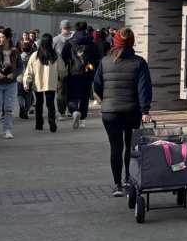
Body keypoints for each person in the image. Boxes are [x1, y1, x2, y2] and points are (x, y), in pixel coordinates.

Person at [93, 27, 153, 196]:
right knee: (131, 146)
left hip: (110, 112)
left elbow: (97, 84)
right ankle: (128, 179)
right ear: (132, 42)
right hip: (131, 110)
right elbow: (144, 89)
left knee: (115, 147)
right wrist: (145, 110)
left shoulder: (104, 62)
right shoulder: (139, 62)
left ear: (115, 42)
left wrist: (107, 99)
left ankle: (117, 185)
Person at [61, 21, 102, 130]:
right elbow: (97, 58)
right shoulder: (91, 42)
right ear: (85, 29)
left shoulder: (69, 43)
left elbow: (63, 58)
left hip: (73, 73)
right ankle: (83, 120)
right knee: (84, 97)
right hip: (88, 73)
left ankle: (74, 112)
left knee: (72, 97)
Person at [0, 28, 22, 139]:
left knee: (9, 108)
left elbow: (20, 67)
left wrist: (14, 74)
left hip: (11, 84)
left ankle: (7, 130)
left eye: (2, 38)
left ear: (8, 39)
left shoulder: (15, 52)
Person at [24, 33, 62, 132]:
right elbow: (62, 69)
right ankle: (51, 120)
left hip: (38, 83)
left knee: (39, 103)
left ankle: (39, 123)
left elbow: (29, 70)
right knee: (50, 103)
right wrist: (60, 77)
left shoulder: (35, 55)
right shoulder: (55, 55)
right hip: (51, 83)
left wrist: (26, 82)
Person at [53, 20, 73, 119]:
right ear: (70, 28)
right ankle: (70, 109)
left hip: (60, 70)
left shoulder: (55, 40)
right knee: (71, 90)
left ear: (61, 28)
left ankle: (61, 113)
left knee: (60, 92)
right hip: (73, 69)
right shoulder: (74, 39)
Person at [16, 38, 36, 119]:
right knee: (28, 95)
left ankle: (21, 106)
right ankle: (26, 111)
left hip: (19, 78)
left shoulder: (19, 57)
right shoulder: (33, 58)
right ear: (31, 48)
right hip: (29, 79)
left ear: (21, 48)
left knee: (20, 94)